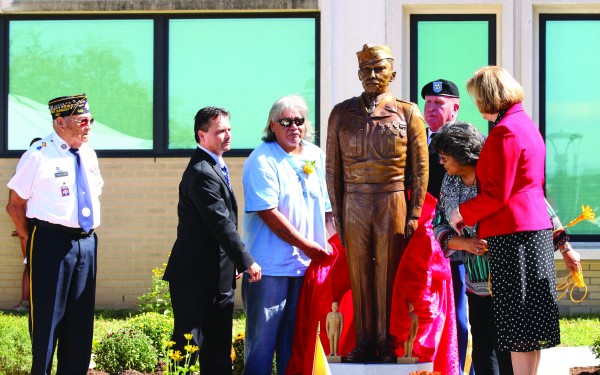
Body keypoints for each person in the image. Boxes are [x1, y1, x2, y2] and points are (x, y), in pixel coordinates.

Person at [434, 120, 582, 375]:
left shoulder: (495, 176)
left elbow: (539, 210)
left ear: (462, 153)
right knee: (482, 349)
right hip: (475, 283)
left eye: (445, 157)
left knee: (510, 348)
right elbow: (440, 226)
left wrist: (566, 249)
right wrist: (466, 244)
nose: (441, 162)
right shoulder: (449, 183)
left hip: (510, 278)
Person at [450, 66, 560, 375]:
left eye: (476, 97)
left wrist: (463, 213)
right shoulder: (525, 124)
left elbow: (497, 195)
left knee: (517, 326)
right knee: (529, 327)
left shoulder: (505, 132)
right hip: (531, 232)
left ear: (488, 96)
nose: (476, 104)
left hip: (515, 236)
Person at [326, 44, 428, 363]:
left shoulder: (408, 112)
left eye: (378, 69)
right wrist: (340, 217)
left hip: (392, 199)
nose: (371, 75)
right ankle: (363, 341)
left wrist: (414, 213)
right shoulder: (341, 113)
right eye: (365, 71)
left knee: (387, 273)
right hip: (354, 202)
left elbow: (420, 167)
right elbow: (332, 169)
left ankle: (386, 342)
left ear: (392, 74)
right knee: (359, 274)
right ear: (358, 75)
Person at [6, 94, 103, 374]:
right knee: (48, 319)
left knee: (81, 321)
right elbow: (15, 205)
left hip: (86, 242)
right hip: (50, 241)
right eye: (82, 121)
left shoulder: (88, 153)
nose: (88, 126)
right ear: (60, 123)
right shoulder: (38, 155)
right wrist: (28, 238)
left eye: (90, 120)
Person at [163, 106, 261, 375]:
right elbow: (220, 223)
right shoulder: (202, 172)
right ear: (202, 135)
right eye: (220, 131)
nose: (227, 135)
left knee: (218, 345)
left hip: (217, 274)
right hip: (194, 276)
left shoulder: (215, 165)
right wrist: (246, 261)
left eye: (229, 129)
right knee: (188, 343)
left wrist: (232, 264)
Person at [242, 94, 334, 374]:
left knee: (295, 344)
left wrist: (328, 244)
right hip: (269, 269)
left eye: (299, 121)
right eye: (286, 121)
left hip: (307, 268)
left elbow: (329, 211)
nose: (294, 127)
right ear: (272, 125)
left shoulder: (315, 154)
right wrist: (307, 246)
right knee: (261, 343)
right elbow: (269, 214)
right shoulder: (262, 159)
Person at [421, 79, 473, 375]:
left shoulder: (467, 140)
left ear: (455, 108)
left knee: (458, 314)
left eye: (439, 103)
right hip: (418, 241)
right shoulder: (413, 139)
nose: (431, 108)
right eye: (428, 102)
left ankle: (458, 369)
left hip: (454, 242)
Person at [10, 136, 42, 312]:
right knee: (30, 264)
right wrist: (23, 230)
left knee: (40, 265)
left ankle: (37, 302)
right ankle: (25, 302)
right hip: (30, 227)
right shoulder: (22, 173)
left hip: (45, 228)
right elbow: (13, 206)